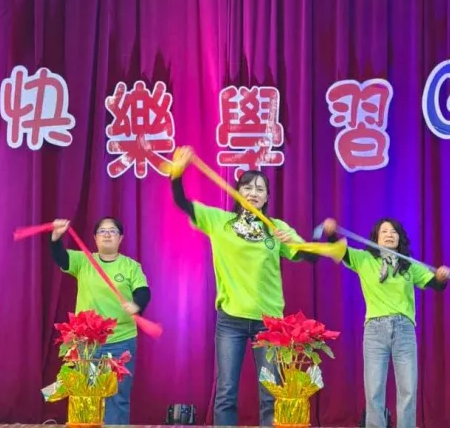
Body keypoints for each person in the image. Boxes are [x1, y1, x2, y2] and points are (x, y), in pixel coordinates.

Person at [167, 146, 314, 427]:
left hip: (269, 322)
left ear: (267, 197)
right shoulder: (220, 221)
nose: (253, 192)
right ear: (238, 192)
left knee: (270, 392)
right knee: (226, 392)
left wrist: (299, 243)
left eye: (260, 189)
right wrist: (177, 174)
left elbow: (309, 257)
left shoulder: (276, 228)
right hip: (230, 320)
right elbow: (182, 202)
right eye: (247, 187)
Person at [321, 217, 450, 428]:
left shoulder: (409, 266)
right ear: (376, 238)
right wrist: (331, 233)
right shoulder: (364, 259)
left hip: (404, 330)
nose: (389, 235)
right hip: (375, 330)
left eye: (394, 232)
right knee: (374, 391)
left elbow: (436, 284)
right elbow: (338, 249)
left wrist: (442, 277)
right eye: (384, 231)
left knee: (408, 390)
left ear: (400, 238)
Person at [49, 217, 150, 425]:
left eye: (112, 231)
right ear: (95, 238)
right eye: (102, 231)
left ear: (120, 238)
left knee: (117, 396)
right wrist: (56, 238)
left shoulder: (131, 266)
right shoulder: (83, 260)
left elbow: (143, 291)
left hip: (121, 342)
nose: (107, 234)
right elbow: (61, 258)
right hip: (88, 345)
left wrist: (136, 304)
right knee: (87, 393)